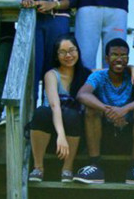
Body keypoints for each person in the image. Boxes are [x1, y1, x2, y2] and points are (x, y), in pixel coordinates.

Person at [74, 38, 134, 186]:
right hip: (103, 129)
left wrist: (124, 110)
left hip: (128, 129)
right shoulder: (99, 76)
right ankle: (94, 165)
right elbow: (82, 94)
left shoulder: (133, 76)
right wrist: (108, 111)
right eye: (114, 55)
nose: (119, 59)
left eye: (123, 55)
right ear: (106, 58)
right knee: (91, 109)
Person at [28, 35, 91, 183]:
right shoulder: (51, 75)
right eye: (62, 52)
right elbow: (54, 106)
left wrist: (133, 68)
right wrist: (60, 136)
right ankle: (38, 168)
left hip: (75, 135)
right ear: (56, 56)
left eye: (71, 50)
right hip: (51, 135)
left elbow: (113, 69)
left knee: (72, 115)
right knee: (41, 112)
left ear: (78, 51)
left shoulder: (86, 74)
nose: (68, 55)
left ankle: (67, 168)